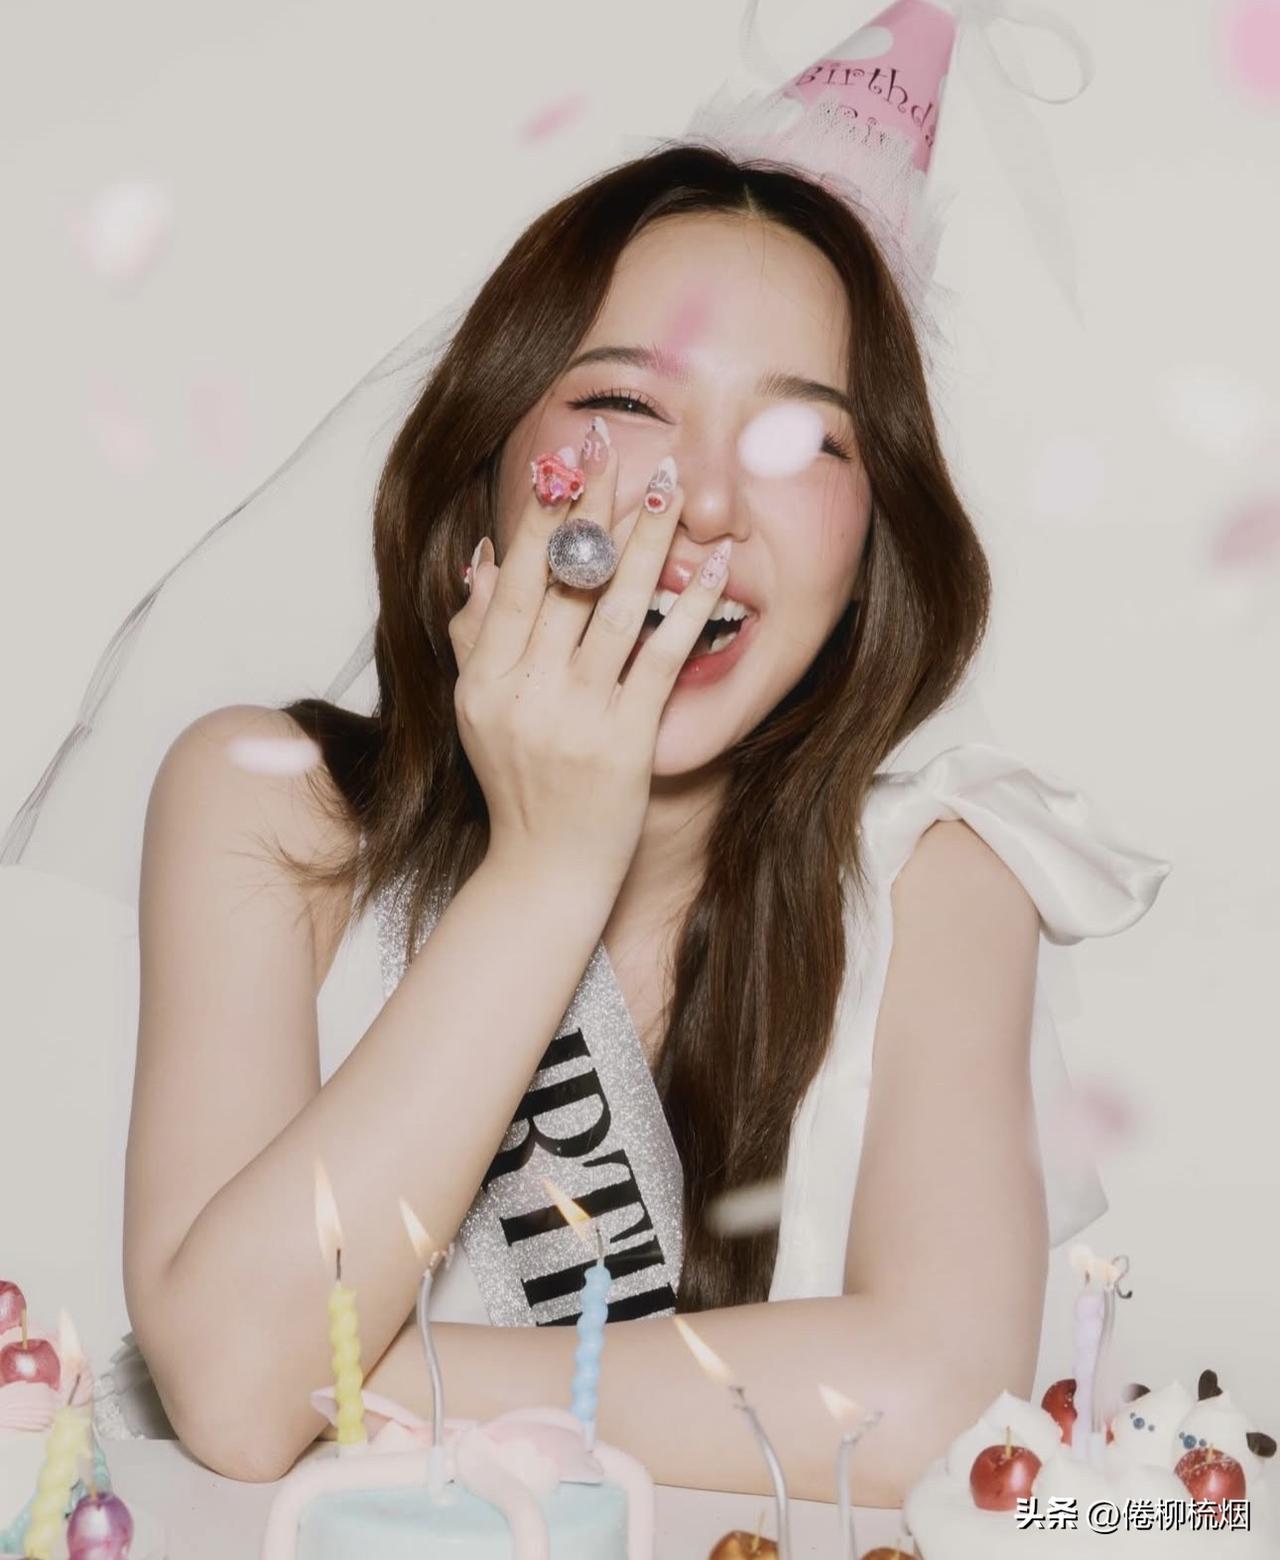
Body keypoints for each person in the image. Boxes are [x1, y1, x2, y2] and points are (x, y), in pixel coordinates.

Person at [4, 0, 1167, 1513]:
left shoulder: (943, 878)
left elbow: (938, 1398)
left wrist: (341, 1371)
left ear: (872, 548)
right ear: (485, 469)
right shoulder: (268, 809)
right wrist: (551, 864)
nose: (704, 506)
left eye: (804, 439)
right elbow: (232, 1394)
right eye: (626, 403)